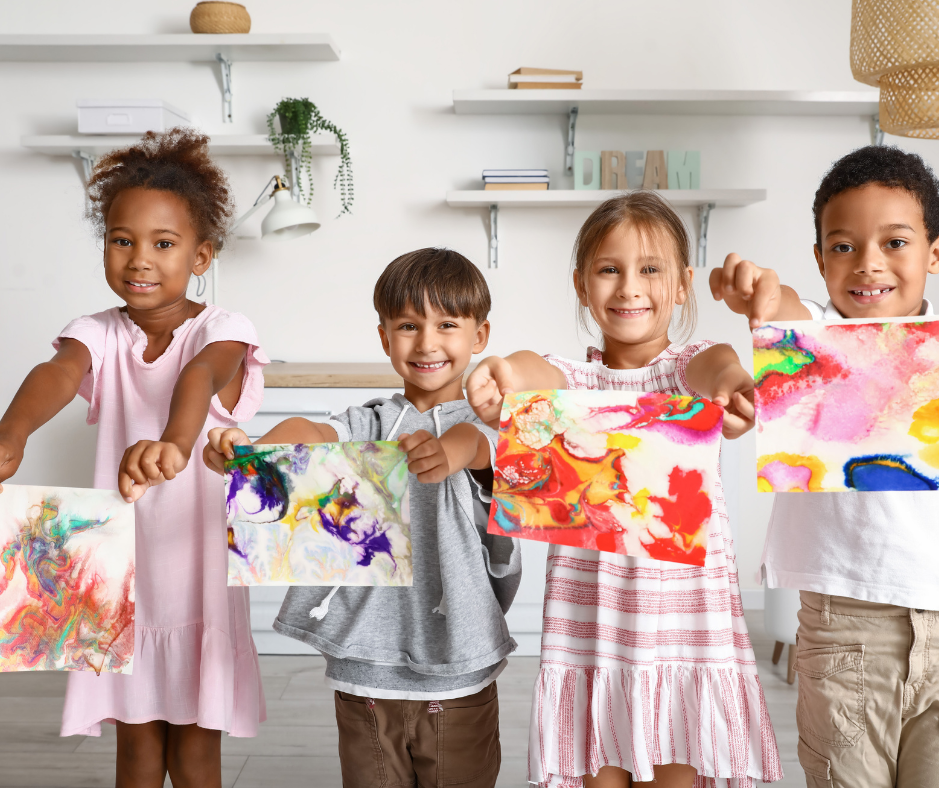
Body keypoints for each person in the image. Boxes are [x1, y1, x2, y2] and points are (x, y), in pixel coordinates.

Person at [466, 191, 783, 788]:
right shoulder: (575, 379)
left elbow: (716, 365)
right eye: (609, 269)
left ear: (683, 284)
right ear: (584, 284)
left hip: (684, 627)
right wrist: (505, 373)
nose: (629, 287)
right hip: (594, 627)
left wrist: (734, 385)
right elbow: (537, 369)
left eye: (650, 269)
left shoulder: (689, 363)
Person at [0, 128, 268, 788]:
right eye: (122, 240)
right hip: (118, 568)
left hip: (200, 567)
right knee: (136, 750)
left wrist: (176, 443)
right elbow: (58, 372)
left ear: (201, 255)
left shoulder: (223, 328)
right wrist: (12, 433)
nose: (139, 259)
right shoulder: (98, 330)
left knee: (197, 752)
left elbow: (201, 377)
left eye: (163, 243)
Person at [204, 248, 521, 788]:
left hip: (458, 665)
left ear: (480, 336)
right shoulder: (369, 421)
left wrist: (452, 450)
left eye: (447, 324)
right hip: (365, 667)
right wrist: (253, 452)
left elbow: (480, 445)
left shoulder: (495, 423)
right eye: (407, 325)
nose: (426, 342)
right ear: (384, 338)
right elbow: (312, 433)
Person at [711, 144, 939, 788]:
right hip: (847, 623)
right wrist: (757, 287)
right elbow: (777, 301)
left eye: (895, 242)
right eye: (843, 247)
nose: (869, 263)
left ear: (933, 253)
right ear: (819, 259)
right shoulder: (813, 333)